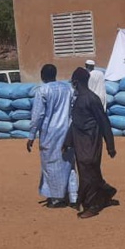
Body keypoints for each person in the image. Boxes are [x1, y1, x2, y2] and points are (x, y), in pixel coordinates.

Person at [64, 67, 117, 219]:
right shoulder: (79, 99)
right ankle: (106, 192)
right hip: (81, 142)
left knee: (88, 172)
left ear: (76, 82)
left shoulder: (92, 99)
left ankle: (92, 206)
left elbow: (104, 122)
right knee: (91, 171)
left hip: (91, 142)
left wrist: (110, 145)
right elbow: (75, 124)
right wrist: (68, 142)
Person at [27, 64, 79, 209]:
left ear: (42, 76)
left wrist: (31, 135)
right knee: (69, 163)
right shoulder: (68, 89)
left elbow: (37, 115)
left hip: (50, 133)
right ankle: (73, 195)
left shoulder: (43, 90)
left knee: (51, 165)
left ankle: (57, 198)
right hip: (68, 131)